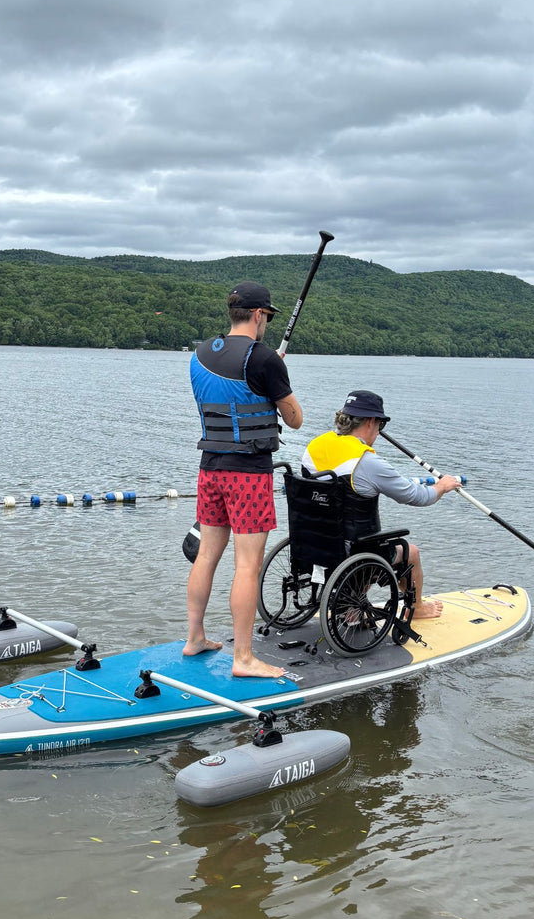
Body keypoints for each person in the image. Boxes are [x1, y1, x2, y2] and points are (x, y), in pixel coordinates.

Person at [185, 281, 303, 677]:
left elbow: (231, 390)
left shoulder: (200, 354)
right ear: (257, 314)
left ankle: (194, 637)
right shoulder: (265, 360)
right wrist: (276, 377)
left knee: (206, 555)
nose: (266, 322)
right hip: (248, 474)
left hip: (209, 469)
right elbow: (294, 419)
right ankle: (244, 658)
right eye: (267, 315)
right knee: (248, 566)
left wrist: (267, 378)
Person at [302, 390, 463, 619]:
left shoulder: (314, 448)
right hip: (350, 550)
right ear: (371, 422)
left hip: (311, 543)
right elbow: (417, 496)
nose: (379, 431)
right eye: (380, 425)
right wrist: (442, 486)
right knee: (410, 552)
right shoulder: (367, 462)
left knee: (364, 542)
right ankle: (416, 608)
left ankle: (351, 606)